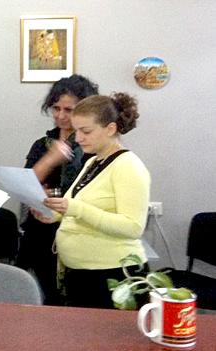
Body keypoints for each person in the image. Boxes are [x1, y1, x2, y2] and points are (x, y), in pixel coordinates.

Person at [33, 92, 151, 309]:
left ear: (111, 129)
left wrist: (74, 208)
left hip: (114, 277)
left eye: (85, 131)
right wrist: (52, 214)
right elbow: (78, 205)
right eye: (76, 130)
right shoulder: (94, 163)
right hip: (83, 274)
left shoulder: (128, 166)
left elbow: (133, 227)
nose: (77, 138)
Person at [16, 74, 98, 305]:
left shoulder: (92, 146)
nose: (61, 116)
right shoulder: (43, 144)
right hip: (38, 231)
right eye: (56, 108)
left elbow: (92, 193)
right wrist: (50, 161)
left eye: (69, 110)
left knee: (70, 300)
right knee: (33, 293)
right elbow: (26, 183)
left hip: (74, 231)